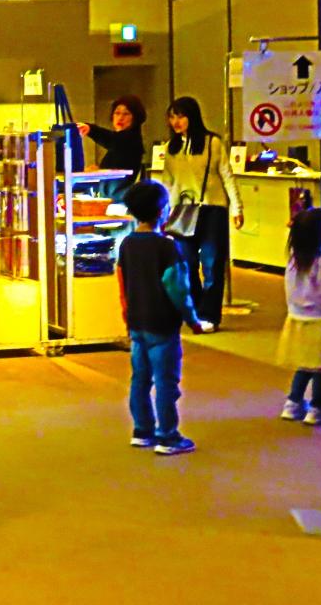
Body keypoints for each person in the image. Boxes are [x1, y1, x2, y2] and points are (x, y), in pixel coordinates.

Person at [117, 180, 212, 455]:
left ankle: (142, 430)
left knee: (140, 379)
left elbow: (122, 282)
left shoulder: (127, 244)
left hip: (137, 322)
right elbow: (177, 288)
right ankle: (167, 435)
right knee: (166, 382)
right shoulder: (167, 247)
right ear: (162, 212)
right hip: (162, 324)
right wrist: (192, 319)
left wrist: (127, 314)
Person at [162, 96, 243, 327]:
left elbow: (227, 175)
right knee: (186, 264)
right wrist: (164, 212)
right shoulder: (171, 148)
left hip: (212, 209)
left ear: (192, 117)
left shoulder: (212, 143)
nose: (176, 122)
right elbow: (168, 182)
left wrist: (237, 207)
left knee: (212, 265)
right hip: (182, 211)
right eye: (172, 117)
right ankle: (196, 310)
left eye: (181, 116)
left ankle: (210, 316)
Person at [277, 208, 321, 425]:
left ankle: (293, 403)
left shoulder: (294, 259)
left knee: (304, 364)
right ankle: (318, 407)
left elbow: (290, 289)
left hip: (298, 317)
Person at [77, 95, 147, 201]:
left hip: (119, 199)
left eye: (126, 114)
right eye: (117, 113)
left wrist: (91, 129)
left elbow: (112, 139)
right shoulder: (118, 141)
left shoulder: (132, 139)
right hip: (110, 196)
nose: (120, 118)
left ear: (135, 118)